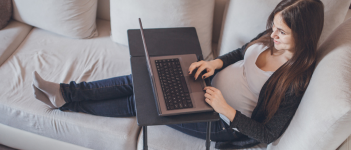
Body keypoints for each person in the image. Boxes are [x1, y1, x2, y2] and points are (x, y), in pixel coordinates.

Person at [31, 0, 324, 148]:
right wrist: (215, 64)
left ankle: (69, 103)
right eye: (273, 26)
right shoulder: (270, 37)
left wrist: (225, 109)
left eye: (281, 32)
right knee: (143, 77)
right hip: (206, 84)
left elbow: (269, 134)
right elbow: (241, 52)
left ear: (304, 34)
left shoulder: (295, 80)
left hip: (219, 120)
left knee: (142, 102)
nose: (272, 34)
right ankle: (66, 91)